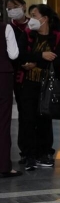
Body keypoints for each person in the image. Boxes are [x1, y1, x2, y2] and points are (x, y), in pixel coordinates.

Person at [17, 4, 60, 170]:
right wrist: (41, 56)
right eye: (31, 15)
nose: (31, 19)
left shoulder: (57, 36)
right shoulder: (28, 34)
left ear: (44, 19)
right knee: (28, 119)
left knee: (45, 117)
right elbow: (20, 55)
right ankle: (29, 155)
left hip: (47, 84)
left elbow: (58, 60)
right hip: (28, 83)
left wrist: (35, 62)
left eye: (34, 15)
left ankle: (44, 153)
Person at [6, 0, 30, 164]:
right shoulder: (8, 28)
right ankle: (24, 149)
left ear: (23, 6)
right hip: (16, 75)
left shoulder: (33, 25)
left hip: (35, 73)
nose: (12, 10)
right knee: (23, 113)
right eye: (9, 8)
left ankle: (40, 149)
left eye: (15, 6)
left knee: (37, 113)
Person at [0, 20, 21, 177]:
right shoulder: (5, 27)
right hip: (3, 76)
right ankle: (4, 166)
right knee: (3, 122)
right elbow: (13, 54)